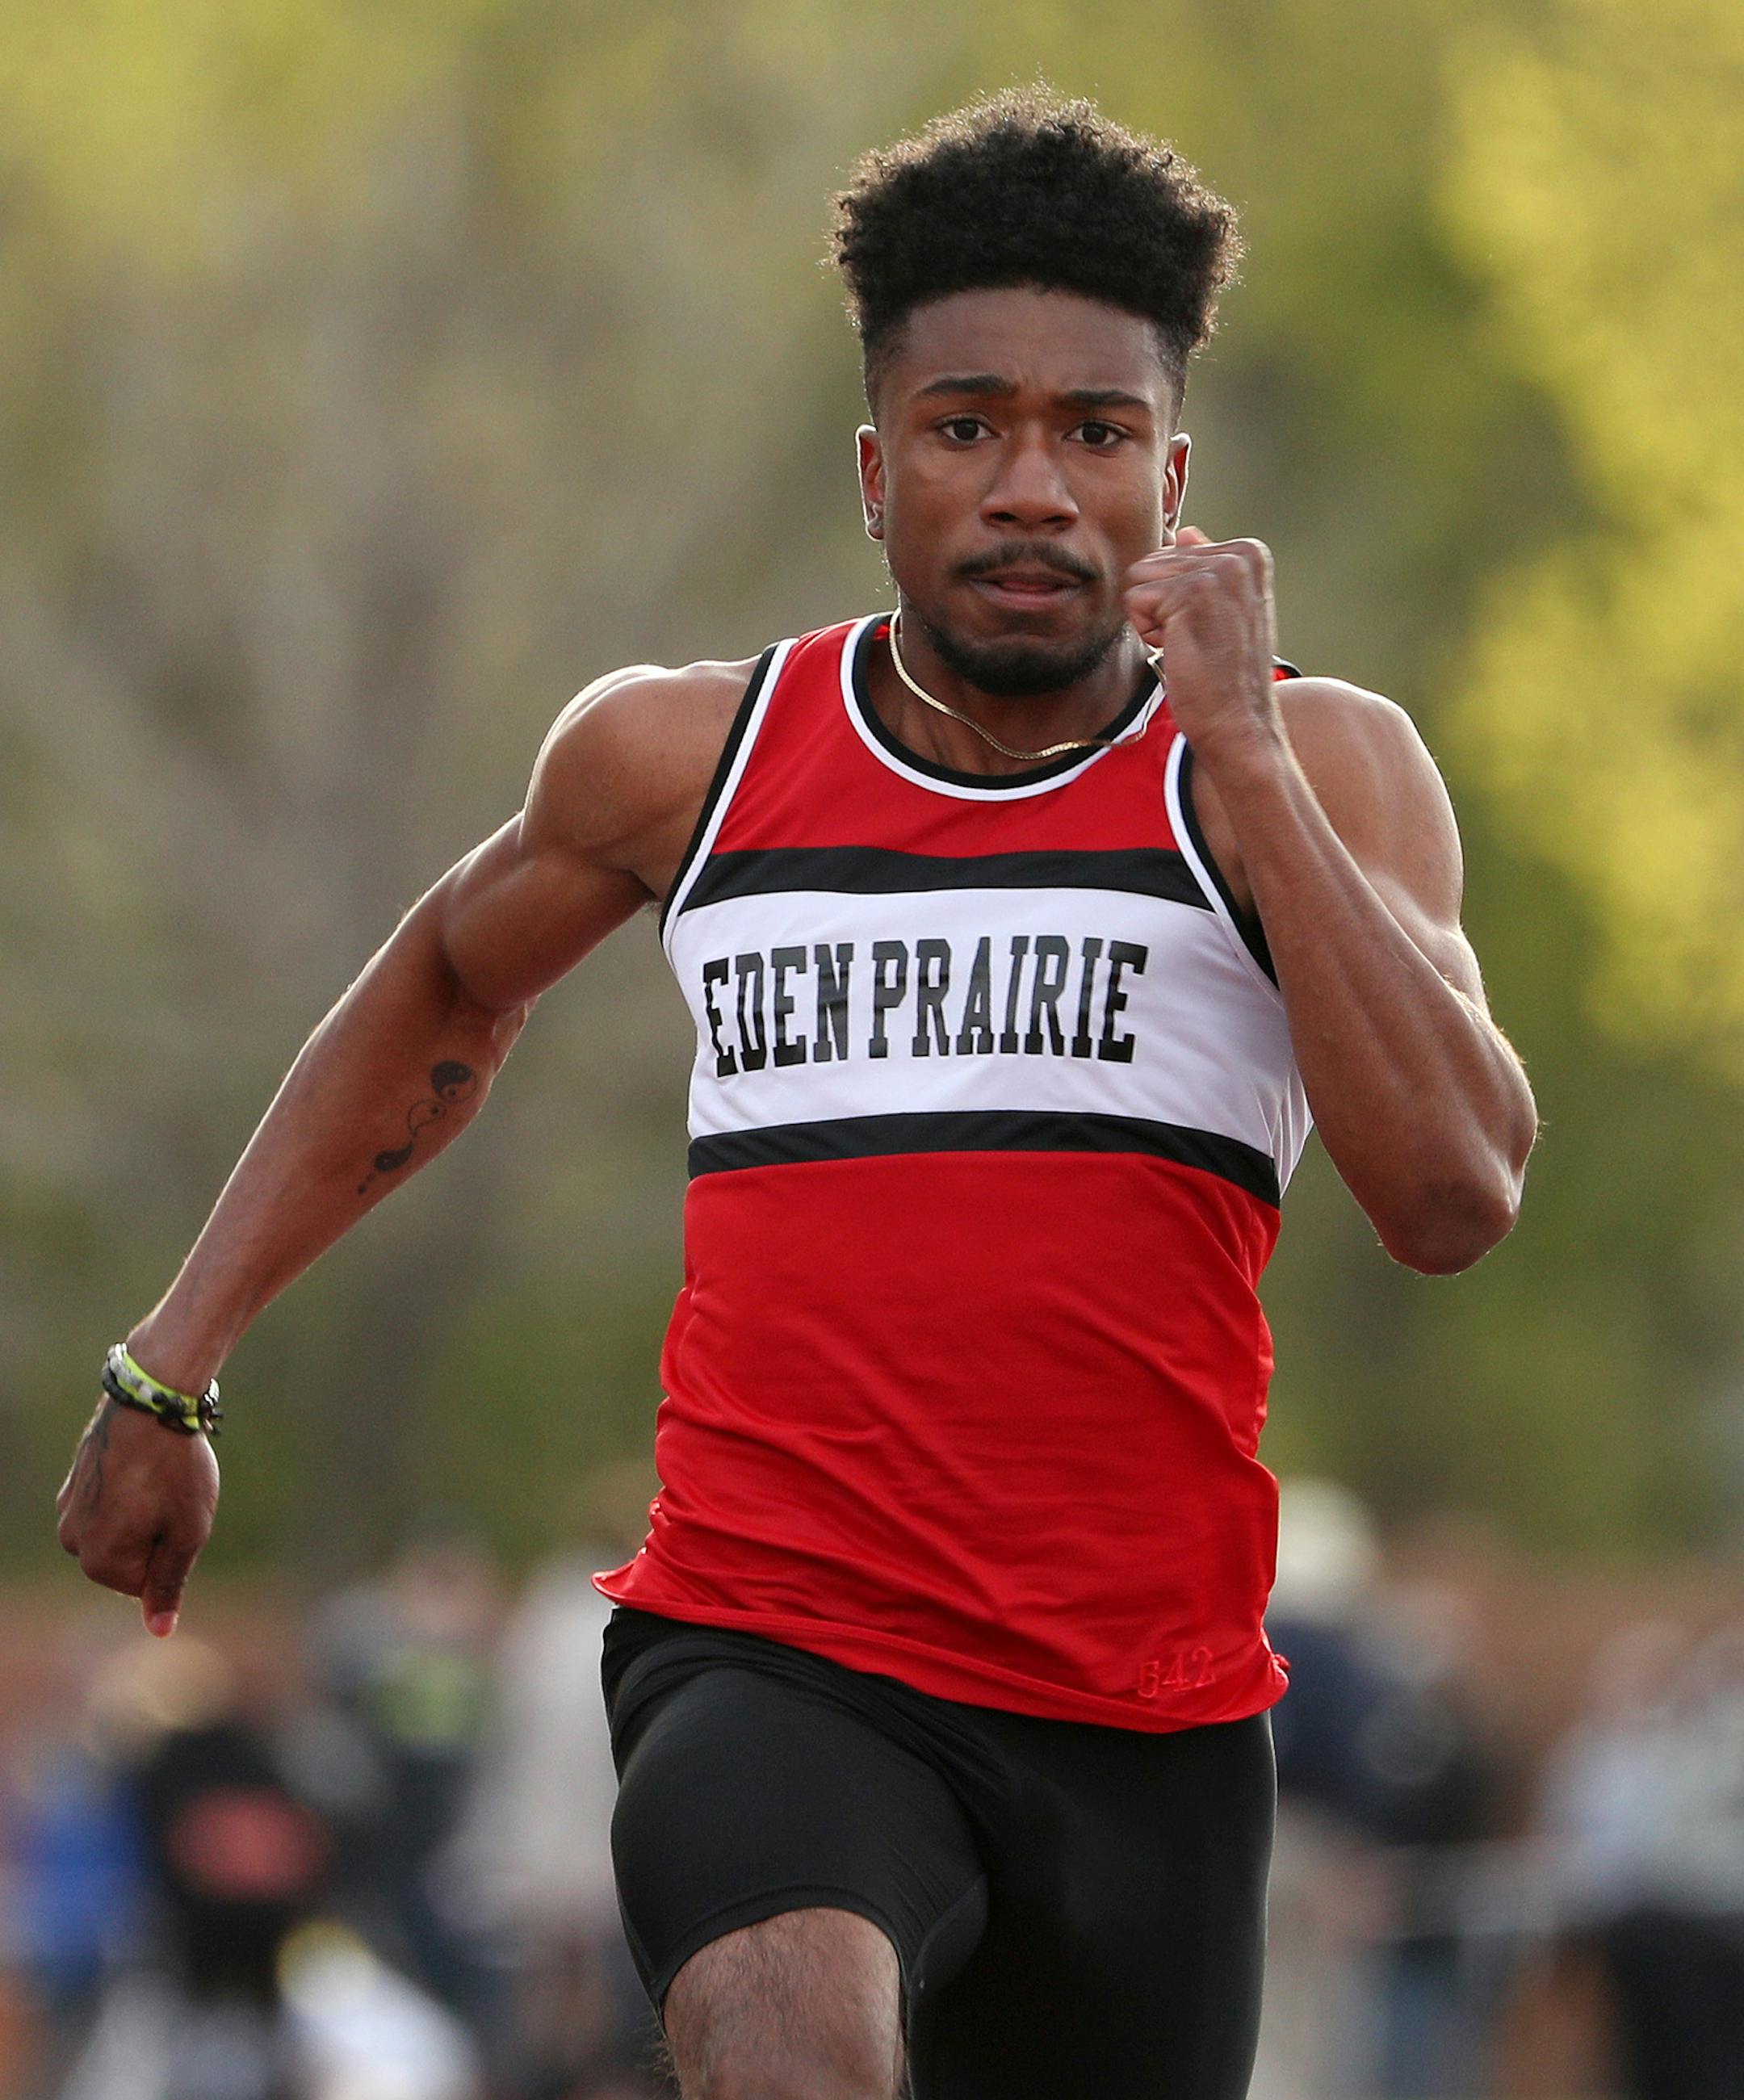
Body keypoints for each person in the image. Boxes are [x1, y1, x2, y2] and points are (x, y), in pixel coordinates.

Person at [56, 90, 1537, 2100]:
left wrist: (1250, 769)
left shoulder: (1313, 771)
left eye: (1095, 435)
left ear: (1174, 480)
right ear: (874, 470)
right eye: (966, 427)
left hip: (1147, 1722)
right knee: (786, 2044)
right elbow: (438, 987)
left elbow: (1454, 1193)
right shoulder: (689, 761)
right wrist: (173, 1363)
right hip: (773, 1653)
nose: (1032, 488)